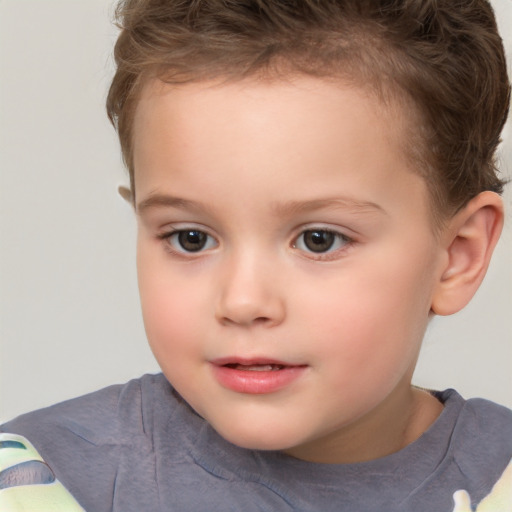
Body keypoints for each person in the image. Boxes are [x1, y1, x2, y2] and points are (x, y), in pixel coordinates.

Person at [1, 1, 511, 510]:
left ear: (456, 256)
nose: (243, 301)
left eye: (319, 240)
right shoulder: (38, 482)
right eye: (190, 238)